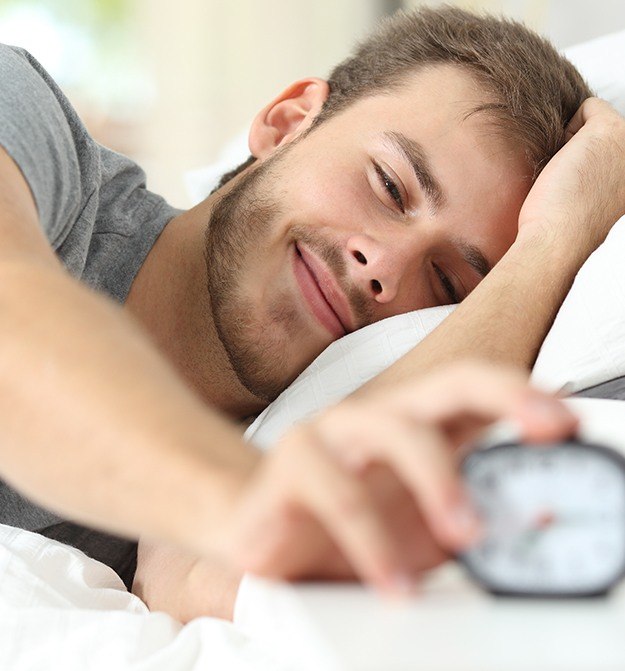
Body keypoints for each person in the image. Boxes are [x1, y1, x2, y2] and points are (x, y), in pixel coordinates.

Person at [0, 5, 623, 623]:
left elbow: (204, 579)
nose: (383, 266)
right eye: (389, 186)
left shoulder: (257, 463)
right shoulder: (25, 115)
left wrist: (552, 248)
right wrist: (243, 501)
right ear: (287, 121)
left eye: (444, 282)